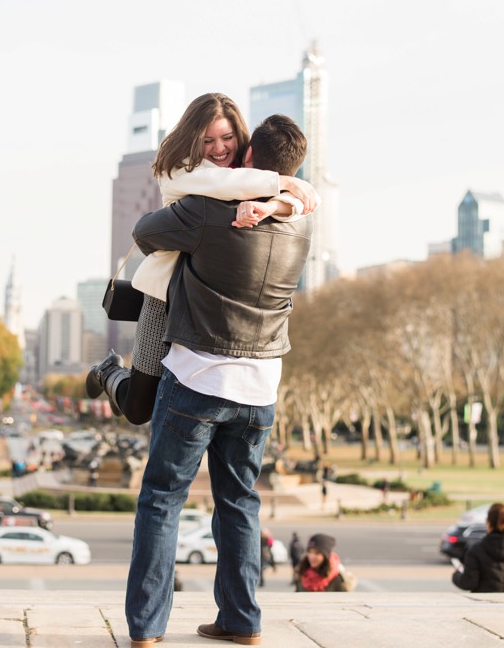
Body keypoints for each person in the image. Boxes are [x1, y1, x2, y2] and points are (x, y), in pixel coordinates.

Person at [123, 114, 313, 648]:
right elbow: (299, 197)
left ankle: (146, 629)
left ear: (249, 158)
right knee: (239, 501)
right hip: (262, 388)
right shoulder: (301, 220)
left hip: (198, 377)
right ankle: (241, 621)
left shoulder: (209, 211)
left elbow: (143, 232)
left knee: (162, 499)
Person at [86, 92, 317, 426]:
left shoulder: (248, 175)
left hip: (204, 308)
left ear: (241, 138)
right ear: (193, 139)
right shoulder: (181, 171)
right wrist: (282, 182)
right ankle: (108, 371)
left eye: (227, 138)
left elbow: (306, 202)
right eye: (208, 140)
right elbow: (218, 183)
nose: (219, 148)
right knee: (138, 409)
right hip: (163, 297)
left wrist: (275, 201)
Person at [452, 502, 504, 593]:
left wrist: (456, 575)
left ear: (488, 523)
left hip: (483, 604)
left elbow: (468, 583)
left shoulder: (476, 550)